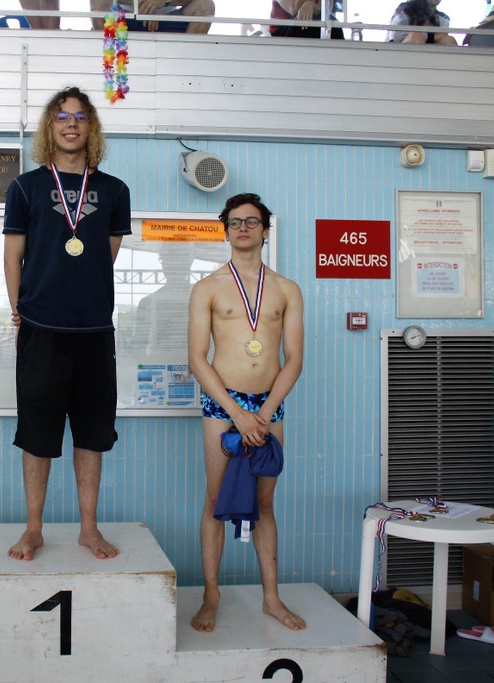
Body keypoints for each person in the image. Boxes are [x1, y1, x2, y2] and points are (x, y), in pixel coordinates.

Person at [3, 86, 131, 562]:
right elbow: (13, 256)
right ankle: (33, 528)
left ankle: (88, 529)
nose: (71, 124)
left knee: (92, 434)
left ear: (90, 126)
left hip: (94, 331)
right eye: (61, 116)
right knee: (37, 433)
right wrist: (20, 307)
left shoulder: (115, 190)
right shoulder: (25, 187)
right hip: (41, 328)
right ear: (49, 127)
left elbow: (105, 256)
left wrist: (81, 292)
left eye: (79, 116)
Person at [187, 192, 305, 633]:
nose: (243, 228)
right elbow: (197, 358)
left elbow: (294, 359)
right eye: (235, 222)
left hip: (269, 405)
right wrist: (237, 413)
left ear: (265, 231)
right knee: (215, 499)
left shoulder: (287, 289)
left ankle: (271, 598)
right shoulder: (208, 287)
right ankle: (211, 594)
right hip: (223, 405)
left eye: (251, 221)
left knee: (265, 502)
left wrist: (265, 412)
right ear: (226, 231)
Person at [89, 0, 216, 35]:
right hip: (125, 18)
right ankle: (106, 59)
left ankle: (188, 58)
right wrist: (146, 6)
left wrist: (163, 1)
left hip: (168, 18)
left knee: (205, 5)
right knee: (97, 1)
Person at [386, 0, 457, 45]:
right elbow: (395, 37)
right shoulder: (406, 10)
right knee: (416, 36)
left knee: (449, 40)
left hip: (430, 56)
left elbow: (441, 37)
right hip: (399, 56)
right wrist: (429, 36)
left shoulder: (442, 18)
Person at [269, 0, 344, 39]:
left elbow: (326, 11)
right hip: (281, 32)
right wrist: (311, 3)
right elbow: (295, 9)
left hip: (310, 27)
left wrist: (311, 5)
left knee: (333, 24)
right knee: (302, 21)